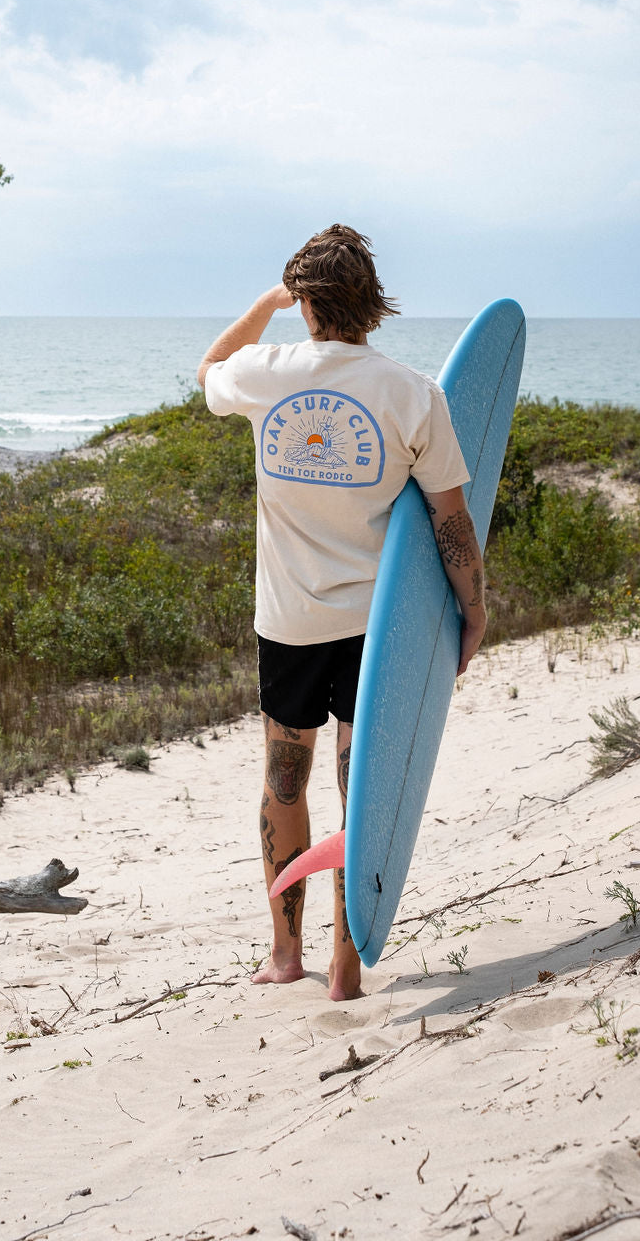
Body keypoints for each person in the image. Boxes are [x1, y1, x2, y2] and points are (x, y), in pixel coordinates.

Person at [196, 225, 486, 1000]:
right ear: (372, 304)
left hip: (288, 622)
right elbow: (451, 522)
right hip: (378, 627)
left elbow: (209, 369)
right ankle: (345, 966)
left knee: (284, 779)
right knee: (364, 784)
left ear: (307, 304)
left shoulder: (264, 372)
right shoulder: (412, 392)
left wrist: (264, 302)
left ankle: (285, 954)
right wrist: (472, 609)